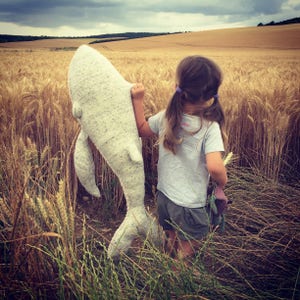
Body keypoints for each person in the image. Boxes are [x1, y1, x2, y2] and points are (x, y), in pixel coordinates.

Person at [130, 55, 228, 259]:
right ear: (211, 94)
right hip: (189, 204)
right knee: (187, 248)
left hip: (164, 196)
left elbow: (141, 129)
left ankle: (168, 258)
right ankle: (176, 277)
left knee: (172, 235)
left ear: (177, 87)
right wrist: (222, 181)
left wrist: (137, 100)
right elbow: (215, 167)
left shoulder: (167, 116)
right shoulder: (210, 127)